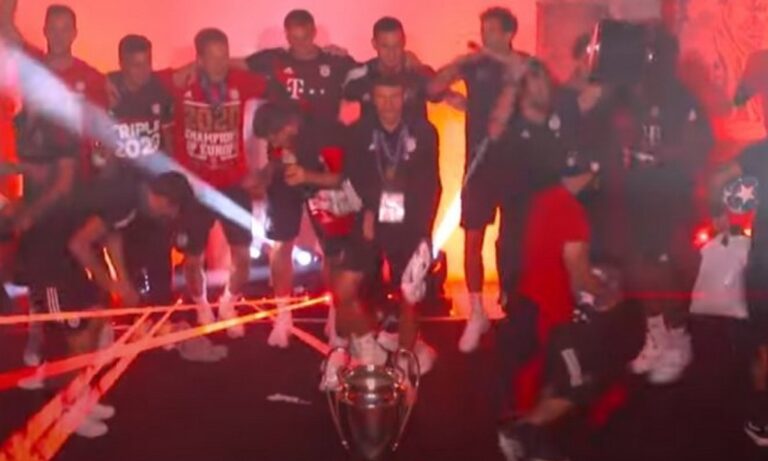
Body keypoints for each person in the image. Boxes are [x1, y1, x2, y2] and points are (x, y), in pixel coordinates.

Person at [497, 150, 617, 461]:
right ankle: (521, 432)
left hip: (528, 303)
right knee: (576, 384)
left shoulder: (543, 200)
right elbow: (578, 273)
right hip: (552, 312)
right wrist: (606, 292)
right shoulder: (572, 211)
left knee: (549, 379)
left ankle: (535, 447)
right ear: (590, 174)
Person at [428, 7, 529, 353]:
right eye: (483, 30)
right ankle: (475, 312)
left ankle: (512, 303)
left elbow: (541, 107)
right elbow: (432, 88)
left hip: (517, 168)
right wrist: (458, 73)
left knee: (512, 241)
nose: (485, 36)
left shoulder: (526, 66)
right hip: (479, 166)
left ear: (509, 34)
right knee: (472, 238)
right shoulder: (475, 65)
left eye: (492, 30)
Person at [335, 74, 441, 379]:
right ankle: (371, 349)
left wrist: (423, 234)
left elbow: (430, 185)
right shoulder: (360, 131)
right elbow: (352, 178)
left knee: (410, 293)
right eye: (381, 97)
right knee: (343, 289)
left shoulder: (423, 131)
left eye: (394, 97)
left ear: (404, 96)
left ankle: (405, 360)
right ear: (372, 98)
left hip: (410, 223)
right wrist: (369, 210)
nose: (389, 105)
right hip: (371, 219)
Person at [623, 29, 712, 384]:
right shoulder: (634, 95)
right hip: (638, 196)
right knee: (639, 268)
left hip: (670, 198)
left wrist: (664, 154)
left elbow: (699, 148)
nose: (649, 62)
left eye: (655, 55)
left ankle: (678, 338)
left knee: (664, 268)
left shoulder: (684, 100)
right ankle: (657, 335)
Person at [164, 28, 267, 337]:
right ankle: (201, 306)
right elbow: (143, 78)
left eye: (225, 56)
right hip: (194, 188)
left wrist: (231, 62)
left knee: (243, 256)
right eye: (213, 58)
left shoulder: (240, 82)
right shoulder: (182, 84)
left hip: (233, 184)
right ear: (199, 59)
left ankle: (228, 304)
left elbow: (271, 73)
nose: (221, 64)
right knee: (192, 258)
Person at [251, 100, 362, 348]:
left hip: (327, 184)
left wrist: (307, 176)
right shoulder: (280, 135)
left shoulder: (327, 135)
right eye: (268, 139)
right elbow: (277, 157)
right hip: (289, 179)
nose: (273, 142)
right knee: (280, 242)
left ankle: (335, 318)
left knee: (333, 251)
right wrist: (266, 173)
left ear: (290, 126)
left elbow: (344, 179)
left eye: (274, 137)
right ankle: (283, 318)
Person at [711, 139, 768, 445]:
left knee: (763, 346)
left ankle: (762, 418)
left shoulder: (761, 151)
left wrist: (717, 213)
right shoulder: (761, 152)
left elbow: (720, 177)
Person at [343, 16, 444, 123]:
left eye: (396, 45)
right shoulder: (362, 74)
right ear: (374, 44)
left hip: (416, 134)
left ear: (404, 42)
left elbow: (439, 95)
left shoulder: (418, 72)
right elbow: (343, 92)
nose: (391, 53)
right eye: (385, 46)